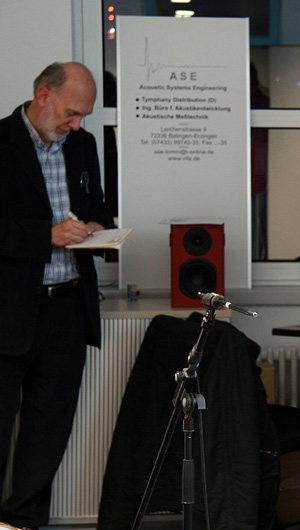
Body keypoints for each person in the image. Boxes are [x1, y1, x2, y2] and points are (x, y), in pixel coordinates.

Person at [0, 62, 113, 530]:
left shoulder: (83, 146)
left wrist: (99, 227)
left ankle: (21, 524)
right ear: (43, 96)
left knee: (48, 434)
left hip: (67, 307)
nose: (77, 124)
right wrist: (46, 236)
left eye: (84, 115)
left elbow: (99, 206)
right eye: (71, 113)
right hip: (9, 312)